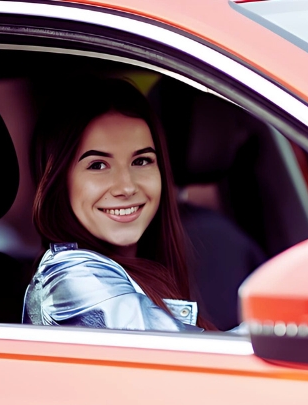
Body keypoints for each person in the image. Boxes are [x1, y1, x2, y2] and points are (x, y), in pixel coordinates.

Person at [23, 79, 212, 332]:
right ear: (59, 182)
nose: (126, 187)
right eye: (98, 165)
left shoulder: (147, 269)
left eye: (141, 161)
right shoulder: (71, 278)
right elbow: (191, 359)